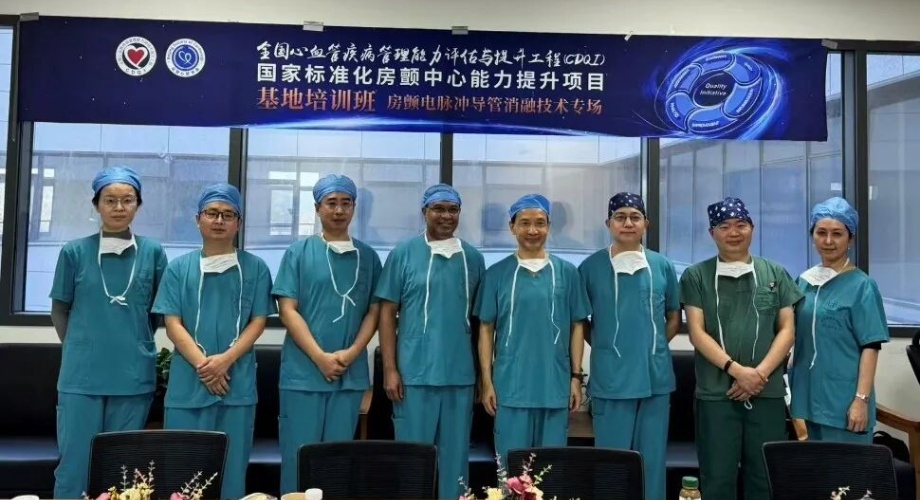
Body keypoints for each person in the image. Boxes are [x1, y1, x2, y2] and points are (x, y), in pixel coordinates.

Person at [50, 166, 169, 499]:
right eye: (110, 200)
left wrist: (134, 343)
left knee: (123, 466)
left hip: (132, 375)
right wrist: (80, 347)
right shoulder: (74, 252)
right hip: (81, 378)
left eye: (127, 200)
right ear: (96, 205)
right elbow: (59, 310)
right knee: (75, 464)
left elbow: (157, 313)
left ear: (138, 205)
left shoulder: (153, 252)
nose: (119, 207)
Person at [152, 183, 275, 500]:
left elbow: (258, 321)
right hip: (189, 384)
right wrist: (205, 367)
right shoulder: (179, 269)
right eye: (212, 213)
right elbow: (172, 323)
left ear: (239, 223)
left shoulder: (256, 268)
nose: (219, 220)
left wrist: (225, 361)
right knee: (183, 475)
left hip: (236, 384)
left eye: (228, 214)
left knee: (232, 474)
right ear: (198, 219)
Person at [679, 196, 803, 500]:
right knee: (717, 476)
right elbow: (696, 332)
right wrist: (736, 371)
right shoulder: (696, 276)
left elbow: (787, 330)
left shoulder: (775, 273)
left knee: (764, 476)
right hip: (716, 393)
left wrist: (758, 375)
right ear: (712, 233)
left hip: (766, 391)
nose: (734, 232)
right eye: (724, 226)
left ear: (752, 228)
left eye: (741, 225)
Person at [273, 174, 382, 495]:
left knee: (337, 462)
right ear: (317, 208)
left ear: (354, 208)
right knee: (299, 457)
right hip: (303, 375)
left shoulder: (368, 257)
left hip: (348, 374)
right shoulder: (298, 253)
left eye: (346, 203)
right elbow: (287, 309)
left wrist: (351, 353)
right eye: (331, 203)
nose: (339, 210)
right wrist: (319, 357)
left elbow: (374, 311)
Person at [375, 184, 486, 499]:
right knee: (413, 460)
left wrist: (482, 376)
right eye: (438, 209)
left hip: (460, 376)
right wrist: (390, 369)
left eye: (453, 210)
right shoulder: (403, 254)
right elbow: (387, 313)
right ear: (425, 212)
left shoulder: (473, 258)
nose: (446, 216)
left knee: (456, 464)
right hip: (414, 375)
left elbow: (481, 323)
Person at [475, 194, 591, 467]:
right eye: (524, 223)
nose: (532, 230)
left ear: (549, 226)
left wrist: (576, 378)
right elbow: (486, 330)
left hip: (554, 386)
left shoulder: (567, 273)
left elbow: (577, 325)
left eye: (540, 223)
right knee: (512, 471)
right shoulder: (496, 275)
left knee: (549, 471)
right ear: (512, 227)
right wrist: (487, 381)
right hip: (510, 388)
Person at [578, 193, 679, 500]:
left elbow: (673, 316)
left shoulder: (662, 266)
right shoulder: (591, 268)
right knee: (611, 465)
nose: (628, 223)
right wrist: (607, 348)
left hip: (655, 379)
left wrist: (654, 346)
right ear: (608, 223)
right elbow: (580, 321)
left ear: (646, 223)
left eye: (635, 217)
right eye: (620, 217)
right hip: (611, 380)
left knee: (652, 463)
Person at [789, 197, 889, 443]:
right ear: (812, 236)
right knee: (816, 467)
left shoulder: (862, 286)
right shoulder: (804, 282)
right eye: (821, 232)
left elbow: (871, 346)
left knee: (847, 469)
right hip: (808, 397)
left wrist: (861, 400)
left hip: (845, 402)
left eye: (837, 234)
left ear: (850, 239)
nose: (828, 241)